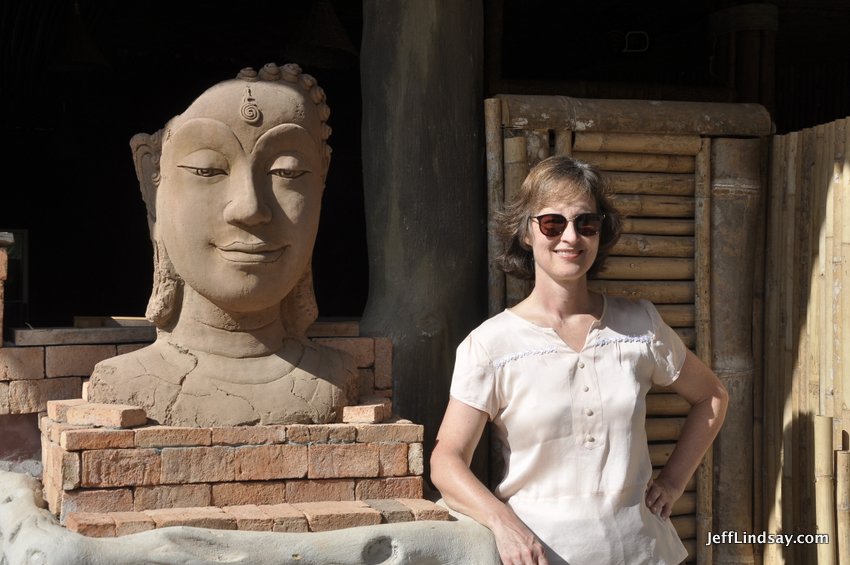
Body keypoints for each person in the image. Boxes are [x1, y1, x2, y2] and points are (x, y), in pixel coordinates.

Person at [430, 155, 729, 564]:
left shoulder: (640, 324)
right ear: (526, 232)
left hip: (647, 553)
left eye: (585, 223)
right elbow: (446, 461)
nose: (570, 237)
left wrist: (674, 482)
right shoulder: (490, 345)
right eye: (553, 223)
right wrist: (502, 522)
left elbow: (711, 395)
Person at [87, 63, 357, 427]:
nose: (250, 208)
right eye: (208, 170)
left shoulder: (339, 376)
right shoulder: (125, 382)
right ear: (152, 185)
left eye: (286, 172)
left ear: (321, 182)